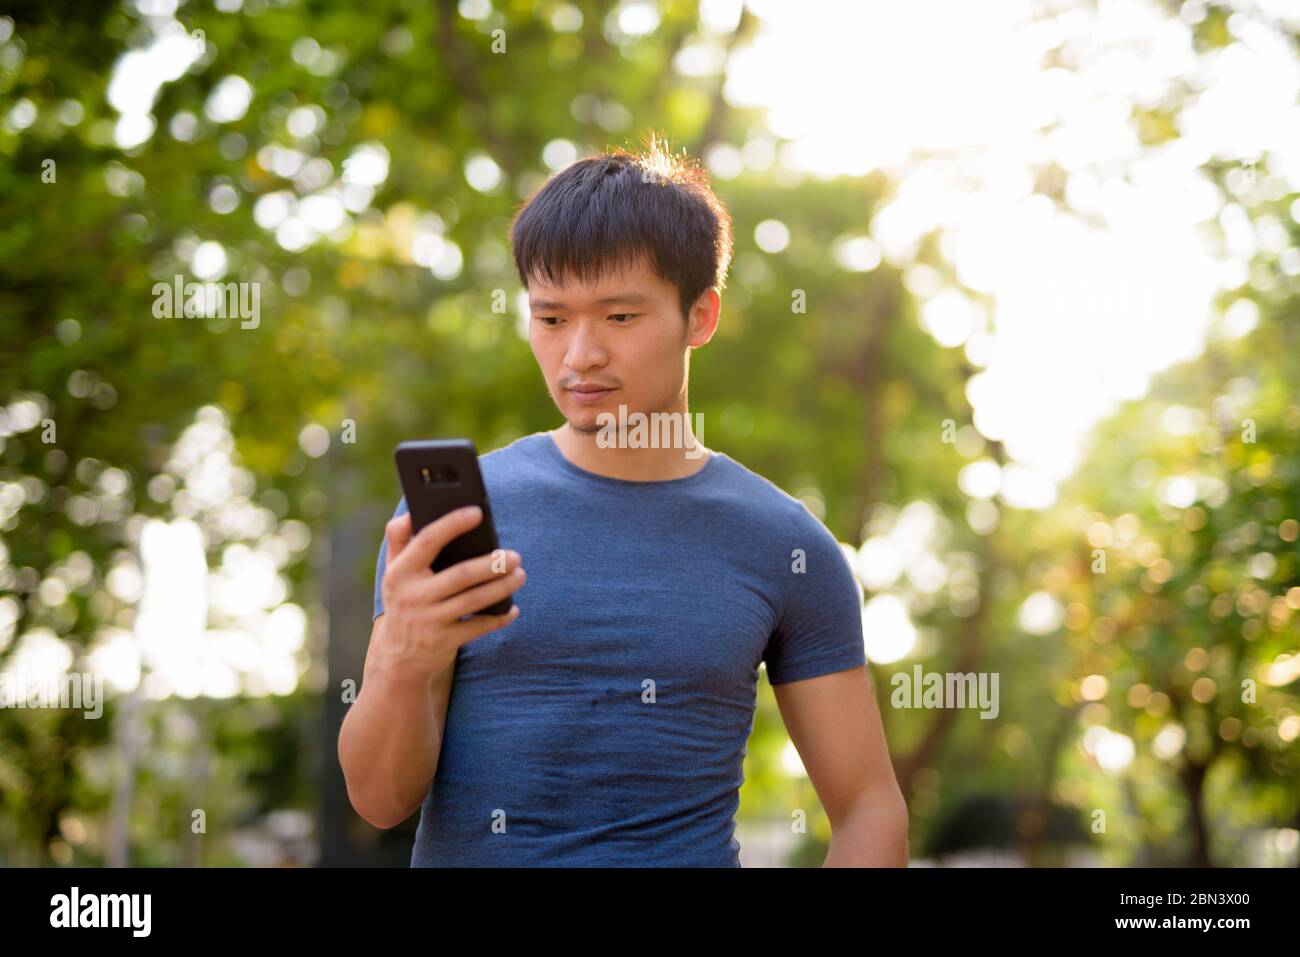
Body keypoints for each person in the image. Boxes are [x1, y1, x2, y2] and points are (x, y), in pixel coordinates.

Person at [338, 136, 909, 867]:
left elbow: (868, 807)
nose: (579, 355)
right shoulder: (460, 515)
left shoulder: (785, 545)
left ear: (700, 317)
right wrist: (403, 659)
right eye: (550, 318)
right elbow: (379, 799)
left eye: (619, 317)